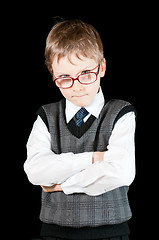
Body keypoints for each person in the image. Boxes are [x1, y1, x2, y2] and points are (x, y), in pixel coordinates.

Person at [24, 19, 136, 240]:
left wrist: (60, 186)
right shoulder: (46, 116)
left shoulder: (121, 113)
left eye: (86, 73)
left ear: (101, 67)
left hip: (112, 233)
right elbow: (35, 171)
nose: (77, 85)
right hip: (53, 233)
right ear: (53, 76)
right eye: (65, 77)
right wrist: (94, 159)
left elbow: (122, 172)